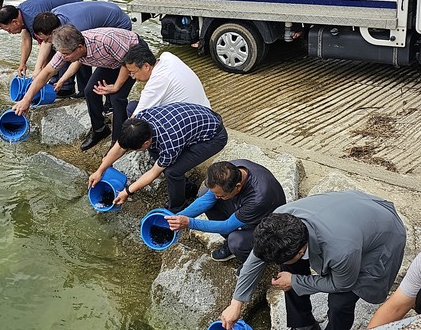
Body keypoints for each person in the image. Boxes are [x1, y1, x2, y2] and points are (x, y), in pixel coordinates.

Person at [219, 191, 406, 330]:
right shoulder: (281, 221)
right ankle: (304, 325)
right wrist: (236, 303)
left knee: (340, 301)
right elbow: (256, 257)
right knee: (286, 265)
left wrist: (295, 281)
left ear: (301, 251)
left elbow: (341, 284)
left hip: (383, 234)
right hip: (348, 212)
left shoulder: (341, 250)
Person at [13, 25, 142, 150]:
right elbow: (46, 73)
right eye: (61, 53)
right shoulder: (68, 49)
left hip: (132, 54)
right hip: (111, 60)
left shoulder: (104, 42)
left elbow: (127, 62)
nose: (63, 58)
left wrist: (116, 86)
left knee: (117, 97)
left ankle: (119, 141)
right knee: (90, 91)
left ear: (80, 47)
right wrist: (26, 100)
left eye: (66, 54)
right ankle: (100, 129)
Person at [89, 102, 228, 212]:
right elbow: (120, 146)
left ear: (146, 142)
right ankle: (186, 187)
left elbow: (154, 173)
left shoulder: (169, 143)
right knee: (158, 154)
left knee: (172, 172)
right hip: (194, 121)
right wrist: (99, 171)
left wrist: (127, 191)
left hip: (213, 137)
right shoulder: (139, 120)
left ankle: (177, 208)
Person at [166, 160, 286, 266]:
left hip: (269, 226)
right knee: (206, 196)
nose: (217, 197)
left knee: (236, 241)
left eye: (221, 195)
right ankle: (231, 243)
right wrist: (175, 218)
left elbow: (227, 226)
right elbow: (207, 199)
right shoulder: (230, 170)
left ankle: (251, 263)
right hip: (248, 212)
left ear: (237, 186)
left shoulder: (258, 197)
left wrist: (189, 223)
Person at [32, 1, 133, 98]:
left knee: (109, 64)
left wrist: (62, 80)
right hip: (103, 13)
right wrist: (38, 69)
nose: (49, 43)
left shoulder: (77, 30)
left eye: (48, 39)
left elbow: (79, 58)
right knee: (76, 55)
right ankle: (86, 91)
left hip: (118, 23)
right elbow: (46, 46)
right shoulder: (51, 19)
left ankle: (108, 98)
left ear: (53, 32)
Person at [0, 0, 82, 78]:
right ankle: (56, 80)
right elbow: (26, 40)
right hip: (72, 4)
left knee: (66, 48)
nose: (10, 33)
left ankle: (66, 87)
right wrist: (22, 64)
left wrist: (41, 72)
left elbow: (46, 45)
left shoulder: (33, 21)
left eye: (8, 30)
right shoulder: (20, 13)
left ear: (15, 22)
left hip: (76, 10)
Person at [119, 44, 210, 117]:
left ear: (146, 66)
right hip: (205, 110)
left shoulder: (157, 82)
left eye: (133, 72)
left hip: (194, 122)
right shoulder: (167, 56)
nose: (133, 77)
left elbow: (135, 118)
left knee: (133, 109)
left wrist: (121, 140)